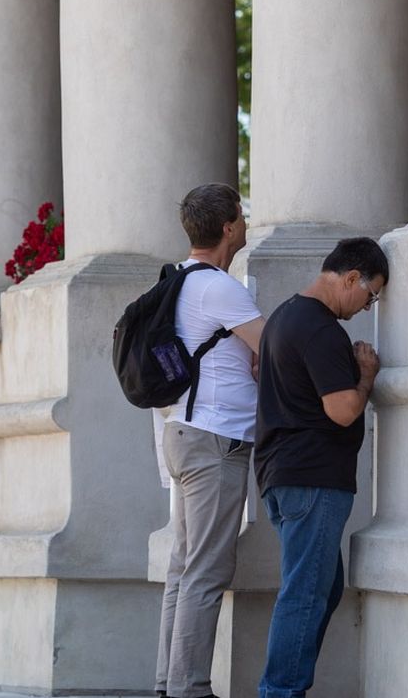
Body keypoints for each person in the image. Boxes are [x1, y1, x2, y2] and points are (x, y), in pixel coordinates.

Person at [254, 237, 388, 698]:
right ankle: (280, 691)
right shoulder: (322, 329)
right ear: (351, 278)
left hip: (285, 477)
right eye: (371, 295)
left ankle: (284, 685)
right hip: (312, 480)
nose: (368, 307)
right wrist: (366, 374)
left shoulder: (284, 316)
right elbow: (344, 410)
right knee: (306, 594)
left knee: (322, 589)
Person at [155, 183, 265, 698]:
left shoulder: (182, 282)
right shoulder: (220, 287)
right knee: (205, 571)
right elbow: (274, 352)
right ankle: (189, 689)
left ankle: (169, 682)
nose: (244, 225)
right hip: (214, 439)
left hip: (184, 432)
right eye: (241, 217)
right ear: (228, 227)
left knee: (184, 569)